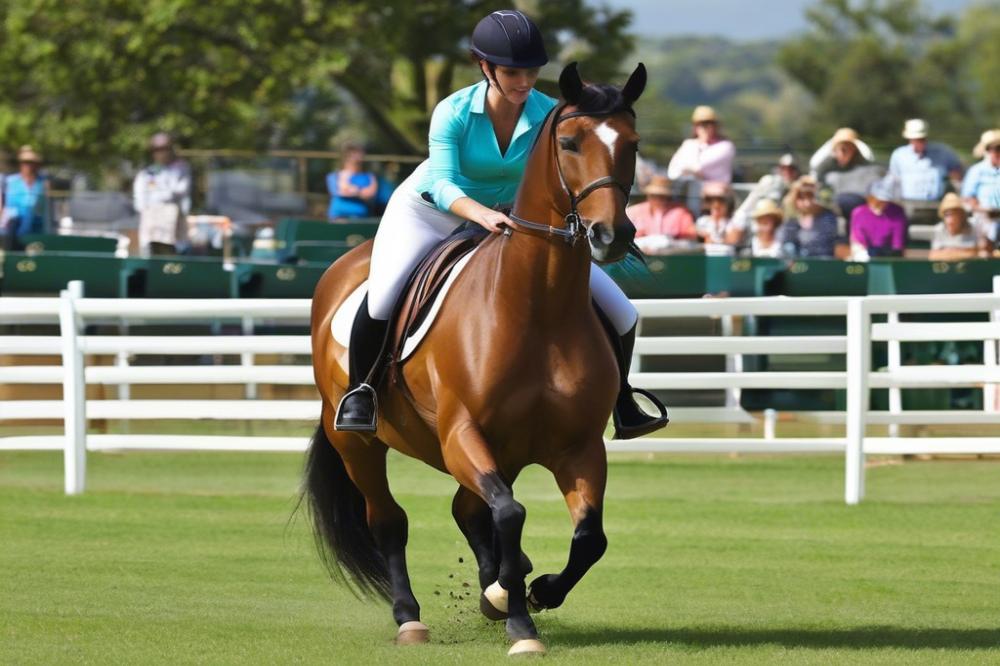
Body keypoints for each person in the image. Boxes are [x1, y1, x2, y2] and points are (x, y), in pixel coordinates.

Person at [335, 9, 667, 439]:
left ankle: (621, 399)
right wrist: (482, 214)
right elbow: (440, 182)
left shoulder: (551, 115)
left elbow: (565, 173)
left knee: (623, 312)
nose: (524, 82)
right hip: (430, 212)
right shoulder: (453, 111)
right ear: (485, 67)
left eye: (531, 72)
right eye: (512, 72)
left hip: (511, 219)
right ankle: (362, 391)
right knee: (383, 297)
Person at [133, 133, 192, 255]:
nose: (160, 153)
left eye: (164, 149)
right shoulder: (147, 171)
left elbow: (181, 189)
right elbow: (140, 195)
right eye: (157, 150)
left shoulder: (180, 168)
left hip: (174, 217)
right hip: (150, 217)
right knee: (150, 249)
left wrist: (164, 195)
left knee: (171, 250)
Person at [812, 127, 882, 224]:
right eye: (840, 149)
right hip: (833, 213)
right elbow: (822, 194)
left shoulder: (865, 166)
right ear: (834, 150)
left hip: (861, 212)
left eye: (846, 148)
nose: (842, 152)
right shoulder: (824, 168)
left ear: (854, 149)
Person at [889, 119, 963, 202]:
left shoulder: (942, 152)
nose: (918, 141)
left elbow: (957, 174)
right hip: (908, 203)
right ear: (909, 139)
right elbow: (894, 180)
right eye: (915, 139)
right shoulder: (899, 155)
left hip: (937, 203)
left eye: (921, 138)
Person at [626, 174, 697, 254]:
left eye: (663, 196)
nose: (659, 200)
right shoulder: (633, 211)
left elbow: (691, 238)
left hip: (671, 258)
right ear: (648, 195)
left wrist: (672, 240)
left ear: (669, 197)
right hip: (639, 257)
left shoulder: (681, 213)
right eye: (654, 196)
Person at [666, 106, 736, 184]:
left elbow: (698, 167)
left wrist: (687, 169)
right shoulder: (689, 144)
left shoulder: (726, 146)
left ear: (715, 126)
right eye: (700, 124)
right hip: (688, 188)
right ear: (695, 127)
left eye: (708, 123)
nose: (704, 127)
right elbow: (672, 171)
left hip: (715, 191)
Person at [732, 152, 800, 229]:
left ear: (796, 170)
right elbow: (747, 207)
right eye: (784, 168)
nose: (787, 172)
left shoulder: (801, 189)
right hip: (765, 225)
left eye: (791, 168)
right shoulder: (769, 182)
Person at [1, 146, 49, 249]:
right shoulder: (10, 181)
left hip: (35, 224)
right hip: (11, 224)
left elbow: (44, 208)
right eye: (25, 162)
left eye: (30, 162)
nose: (28, 166)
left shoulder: (42, 183)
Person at [779, 176, 839, 259]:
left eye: (811, 197)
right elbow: (787, 244)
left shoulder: (828, 217)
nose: (807, 203)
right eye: (802, 197)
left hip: (822, 263)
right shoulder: (792, 220)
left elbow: (826, 247)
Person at [850, 178, 908, 260]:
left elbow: (897, 243)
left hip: (889, 253)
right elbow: (858, 239)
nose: (881, 202)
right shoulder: (859, 212)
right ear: (869, 197)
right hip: (865, 253)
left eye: (884, 200)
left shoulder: (897, 211)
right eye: (877, 199)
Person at [962, 129, 1000, 247]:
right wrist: (984, 209)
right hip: (984, 219)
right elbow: (967, 198)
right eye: (996, 149)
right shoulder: (976, 171)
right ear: (988, 151)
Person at [327, 143, 379, 220]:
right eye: (353, 153)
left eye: (359, 153)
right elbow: (342, 190)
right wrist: (360, 191)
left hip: (361, 218)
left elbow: (370, 194)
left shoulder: (369, 176)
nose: (357, 156)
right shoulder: (336, 175)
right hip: (338, 217)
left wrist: (353, 190)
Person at [929, 193, 980, 260]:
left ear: (962, 216)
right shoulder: (938, 229)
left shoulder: (973, 227)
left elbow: (977, 253)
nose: (950, 220)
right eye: (947, 215)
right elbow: (933, 255)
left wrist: (950, 252)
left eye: (954, 214)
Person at [694, 182, 743, 250]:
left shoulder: (734, 221)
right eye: (710, 200)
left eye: (721, 200)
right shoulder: (702, 221)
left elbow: (732, 240)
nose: (716, 204)